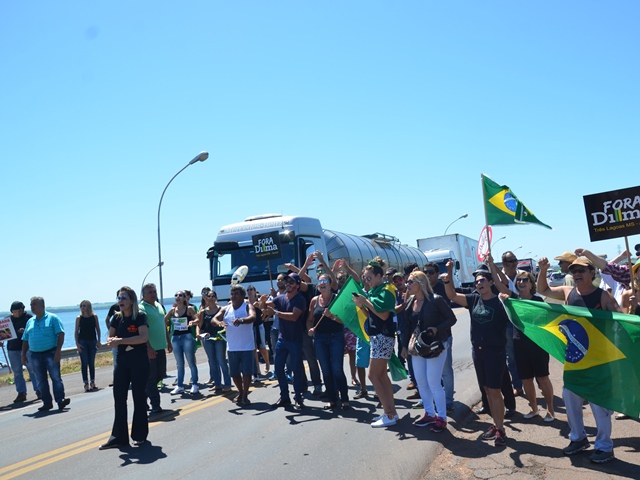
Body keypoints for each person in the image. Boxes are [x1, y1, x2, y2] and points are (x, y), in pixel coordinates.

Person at [537, 256, 620, 464]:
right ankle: (579, 438)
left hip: (600, 361)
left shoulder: (604, 297)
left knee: (598, 405)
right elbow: (543, 290)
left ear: (592, 273)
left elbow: (621, 323)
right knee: (570, 399)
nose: (577, 274)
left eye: (582, 270)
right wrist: (542, 269)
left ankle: (604, 446)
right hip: (575, 360)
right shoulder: (568, 292)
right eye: (574, 271)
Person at [443, 263, 509, 447]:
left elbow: (510, 295)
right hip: (477, 351)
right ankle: (496, 425)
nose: (478, 283)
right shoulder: (473, 299)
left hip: (495, 352)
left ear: (489, 282)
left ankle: (501, 429)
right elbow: (452, 295)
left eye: (481, 280)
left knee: (495, 391)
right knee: (487, 390)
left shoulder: (501, 301)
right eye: (476, 281)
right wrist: (448, 277)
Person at [496, 271, 555, 421]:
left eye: (524, 280)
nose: (521, 283)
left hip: (537, 344)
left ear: (531, 283)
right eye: (519, 281)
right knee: (526, 380)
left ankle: (550, 410)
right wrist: (491, 265)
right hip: (519, 344)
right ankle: (534, 409)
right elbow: (498, 285)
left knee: (542, 378)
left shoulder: (538, 301)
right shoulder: (513, 299)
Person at [402, 271, 456, 432]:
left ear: (421, 283)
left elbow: (451, 319)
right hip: (418, 347)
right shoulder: (410, 301)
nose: (407, 285)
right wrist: (404, 346)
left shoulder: (436, 300)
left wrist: (437, 329)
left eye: (411, 282)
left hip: (435, 346)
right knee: (421, 382)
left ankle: (441, 417)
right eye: (407, 282)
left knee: (433, 382)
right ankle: (429, 413)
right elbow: (406, 326)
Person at [100, 286, 149, 449]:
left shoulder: (140, 316)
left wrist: (120, 341)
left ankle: (139, 435)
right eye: (119, 298)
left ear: (131, 300)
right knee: (119, 398)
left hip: (139, 361)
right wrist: (111, 341)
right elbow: (110, 336)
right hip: (122, 361)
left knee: (139, 397)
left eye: (123, 298)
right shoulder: (116, 318)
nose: (120, 301)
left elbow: (143, 338)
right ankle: (119, 437)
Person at [353, 258, 398, 428]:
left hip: (382, 336)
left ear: (379, 276)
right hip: (377, 337)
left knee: (373, 375)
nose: (366, 281)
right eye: (365, 278)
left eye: (369, 277)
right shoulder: (375, 291)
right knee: (381, 376)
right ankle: (391, 412)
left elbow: (384, 315)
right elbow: (372, 314)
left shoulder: (386, 290)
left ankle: (389, 413)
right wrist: (362, 304)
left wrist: (365, 302)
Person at [260, 272, 307, 410]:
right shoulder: (280, 298)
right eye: (286, 282)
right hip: (282, 340)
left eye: (291, 282)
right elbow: (264, 307)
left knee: (296, 370)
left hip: (295, 340)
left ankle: (298, 398)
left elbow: (293, 316)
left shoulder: (300, 300)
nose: (288, 284)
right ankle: (285, 397)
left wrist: (275, 313)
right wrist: (262, 302)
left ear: (297, 285)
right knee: (279, 369)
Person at [307, 273, 350, 410]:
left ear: (331, 284)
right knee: (325, 370)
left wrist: (332, 316)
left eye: (325, 281)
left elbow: (344, 320)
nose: (322, 283)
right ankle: (332, 399)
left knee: (336, 369)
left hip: (335, 337)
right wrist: (310, 329)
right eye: (319, 281)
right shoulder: (314, 300)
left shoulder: (336, 299)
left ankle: (344, 398)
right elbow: (309, 320)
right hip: (319, 338)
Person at [21, 297, 70, 412]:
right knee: (40, 380)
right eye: (31, 304)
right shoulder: (30, 321)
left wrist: (58, 351)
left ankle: (60, 400)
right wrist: (23, 354)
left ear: (42, 305)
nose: (32, 307)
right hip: (34, 355)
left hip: (50, 352)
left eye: (34, 304)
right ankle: (47, 402)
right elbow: (25, 339)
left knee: (56, 378)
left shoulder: (53, 318)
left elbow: (61, 334)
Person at [213, 285, 256, 406]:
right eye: (232, 294)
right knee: (235, 374)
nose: (233, 296)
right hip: (232, 347)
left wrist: (242, 320)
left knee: (247, 373)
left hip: (246, 346)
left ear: (242, 296)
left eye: (236, 294)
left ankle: (245, 395)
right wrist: (219, 322)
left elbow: (253, 317)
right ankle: (241, 392)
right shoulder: (226, 309)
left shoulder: (247, 306)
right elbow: (214, 319)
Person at [423, 262, 455, 413]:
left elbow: (450, 318)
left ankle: (448, 401)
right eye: (425, 273)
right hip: (426, 341)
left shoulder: (442, 290)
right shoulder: (421, 291)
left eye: (430, 272)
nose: (428, 275)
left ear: (436, 274)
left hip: (443, 337)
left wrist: (438, 329)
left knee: (445, 370)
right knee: (429, 373)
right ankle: (434, 400)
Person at [139, 283, 171, 414]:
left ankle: (142, 399)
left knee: (160, 374)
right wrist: (149, 348)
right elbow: (142, 331)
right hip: (149, 350)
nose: (153, 294)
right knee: (151, 378)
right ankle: (155, 405)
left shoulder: (159, 306)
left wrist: (168, 342)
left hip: (160, 347)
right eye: (150, 292)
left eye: (154, 292)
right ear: (143, 295)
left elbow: (163, 325)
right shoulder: (142, 308)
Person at [497, 251, 523, 396]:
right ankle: (518, 385)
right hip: (507, 321)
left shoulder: (523, 276)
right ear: (504, 263)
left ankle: (539, 381)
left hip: (523, 319)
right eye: (509, 261)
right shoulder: (498, 278)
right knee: (511, 355)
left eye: (515, 260)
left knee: (528, 351)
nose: (513, 263)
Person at [3, 301, 38, 403]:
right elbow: (2, 336)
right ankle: (21, 393)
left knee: (32, 370)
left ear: (23, 310)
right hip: (12, 349)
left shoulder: (29, 318)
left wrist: (26, 332)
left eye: (19, 311)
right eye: (15, 311)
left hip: (27, 348)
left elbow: (36, 332)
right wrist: (1, 341)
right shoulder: (7, 320)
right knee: (17, 372)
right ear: (11, 311)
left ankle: (39, 390)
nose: (17, 313)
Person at [197, 289, 231, 392]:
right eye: (209, 296)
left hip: (219, 338)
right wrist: (198, 334)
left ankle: (227, 384)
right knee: (212, 361)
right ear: (206, 298)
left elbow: (226, 322)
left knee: (221, 360)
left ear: (216, 298)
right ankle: (217, 383)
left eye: (212, 296)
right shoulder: (203, 311)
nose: (210, 298)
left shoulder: (221, 309)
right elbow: (199, 325)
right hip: (208, 338)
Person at [165, 291, 199, 395]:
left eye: (180, 295)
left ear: (185, 298)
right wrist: (167, 324)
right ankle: (179, 385)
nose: (178, 297)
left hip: (187, 337)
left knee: (191, 362)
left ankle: (194, 384)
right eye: (176, 295)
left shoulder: (189, 309)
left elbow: (198, 319)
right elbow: (164, 320)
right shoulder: (172, 310)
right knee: (179, 364)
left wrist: (193, 322)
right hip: (175, 338)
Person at [74, 300, 102, 392]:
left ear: (88, 307)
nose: (82, 307)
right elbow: (76, 331)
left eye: (84, 305)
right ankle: (86, 383)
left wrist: (98, 340)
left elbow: (97, 329)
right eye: (81, 306)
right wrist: (77, 344)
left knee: (91, 362)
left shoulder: (94, 317)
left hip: (92, 341)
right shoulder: (79, 318)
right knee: (84, 362)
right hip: (83, 342)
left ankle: (92, 382)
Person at [247, 285, 271, 378]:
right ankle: (257, 369)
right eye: (248, 290)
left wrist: (260, 305)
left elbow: (265, 311)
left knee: (262, 347)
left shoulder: (258, 302)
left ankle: (267, 363)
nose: (249, 291)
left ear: (254, 291)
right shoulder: (246, 302)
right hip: (250, 327)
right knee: (253, 348)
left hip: (259, 326)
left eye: (251, 289)